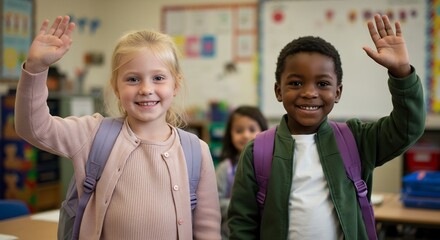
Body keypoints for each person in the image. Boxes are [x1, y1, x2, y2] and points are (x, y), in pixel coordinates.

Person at [14, 16, 221, 240]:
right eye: (132, 79)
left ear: (175, 85)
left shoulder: (196, 152)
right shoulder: (93, 134)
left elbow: (207, 230)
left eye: (159, 78)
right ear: (116, 86)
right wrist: (36, 68)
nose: (146, 89)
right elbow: (33, 127)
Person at [227, 14, 426, 240]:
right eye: (295, 83)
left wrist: (402, 73)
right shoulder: (257, 151)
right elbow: (242, 224)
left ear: (337, 92)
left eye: (322, 84)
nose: (310, 92)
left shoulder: (356, 139)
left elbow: (407, 127)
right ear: (278, 91)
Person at [215, 105, 268, 239]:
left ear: (263, 131)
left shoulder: (269, 165)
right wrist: (242, 205)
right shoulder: (225, 168)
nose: (245, 135)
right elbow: (214, 202)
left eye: (252, 129)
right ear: (230, 135)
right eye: (239, 130)